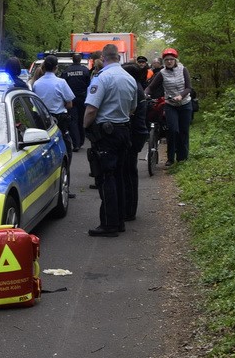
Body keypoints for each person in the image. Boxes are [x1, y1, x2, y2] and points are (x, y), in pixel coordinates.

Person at [83, 43, 138, 237]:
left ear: (103, 59)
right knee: (119, 176)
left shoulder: (102, 78)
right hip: (123, 130)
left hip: (106, 133)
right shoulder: (129, 78)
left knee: (106, 177)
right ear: (118, 57)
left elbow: (91, 109)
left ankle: (109, 224)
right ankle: (120, 220)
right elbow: (133, 108)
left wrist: (85, 127)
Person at [146, 47, 194, 167]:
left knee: (183, 131)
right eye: (166, 59)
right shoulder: (162, 73)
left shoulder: (183, 70)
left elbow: (189, 88)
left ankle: (182, 158)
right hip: (170, 105)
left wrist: (180, 96)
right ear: (164, 61)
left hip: (185, 104)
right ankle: (171, 158)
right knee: (173, 130)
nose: (169, 61)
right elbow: (151, 87)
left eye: (171, 59)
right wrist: (145, 93)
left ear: (175, 60)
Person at [121, 63, 150, 220]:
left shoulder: (134, 89)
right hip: (138, 133)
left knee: (129, 172)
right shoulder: (137, 87)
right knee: (129, 171)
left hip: (134, 134)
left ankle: (129, 210)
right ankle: (129, 208)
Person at [34, 54, 76, 158]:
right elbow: (70, 104)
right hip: (59, 120)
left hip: (42, 120)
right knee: (65, 145)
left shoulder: (37, 84)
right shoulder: (61, 82)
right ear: (55, 67)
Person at [60, 52, 90, 151]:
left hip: (71, 99)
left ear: (72, 60)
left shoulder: (66, 71)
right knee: (81, 120)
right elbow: (88, 85)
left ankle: (76, 143)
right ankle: (81, 141)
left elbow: (63, 85)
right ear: (80, 60)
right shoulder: (85, 70)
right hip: (82, 98)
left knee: (73, 121)